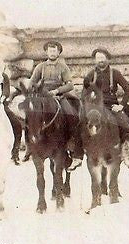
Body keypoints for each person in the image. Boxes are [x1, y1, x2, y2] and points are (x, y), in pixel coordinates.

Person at [29, 41, 83, 171]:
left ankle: (73, 146)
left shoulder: (63, 67)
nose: (52, 52)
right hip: (42, 98)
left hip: (59, 96)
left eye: (55, 50)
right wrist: (37, 88)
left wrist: (57, 91)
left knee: (73, 116)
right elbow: (32, 82)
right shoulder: (40, 67)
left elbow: (69, 85)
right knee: (31, 116)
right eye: (50, 50)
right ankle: (30, 146)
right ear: (46, 52)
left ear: (58, 52)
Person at [82, 47, 129, 169]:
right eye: (98, 58)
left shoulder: (114, 73)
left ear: (107, 59)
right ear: (95, 60)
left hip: (111, 105)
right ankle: (78, 154)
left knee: (125, 124)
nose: (100, 60)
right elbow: (84, 93)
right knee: (80, 123)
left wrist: (121, 105)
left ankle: (125, 152)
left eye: (102, 57)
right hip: (95, 106)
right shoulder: (91, 74)